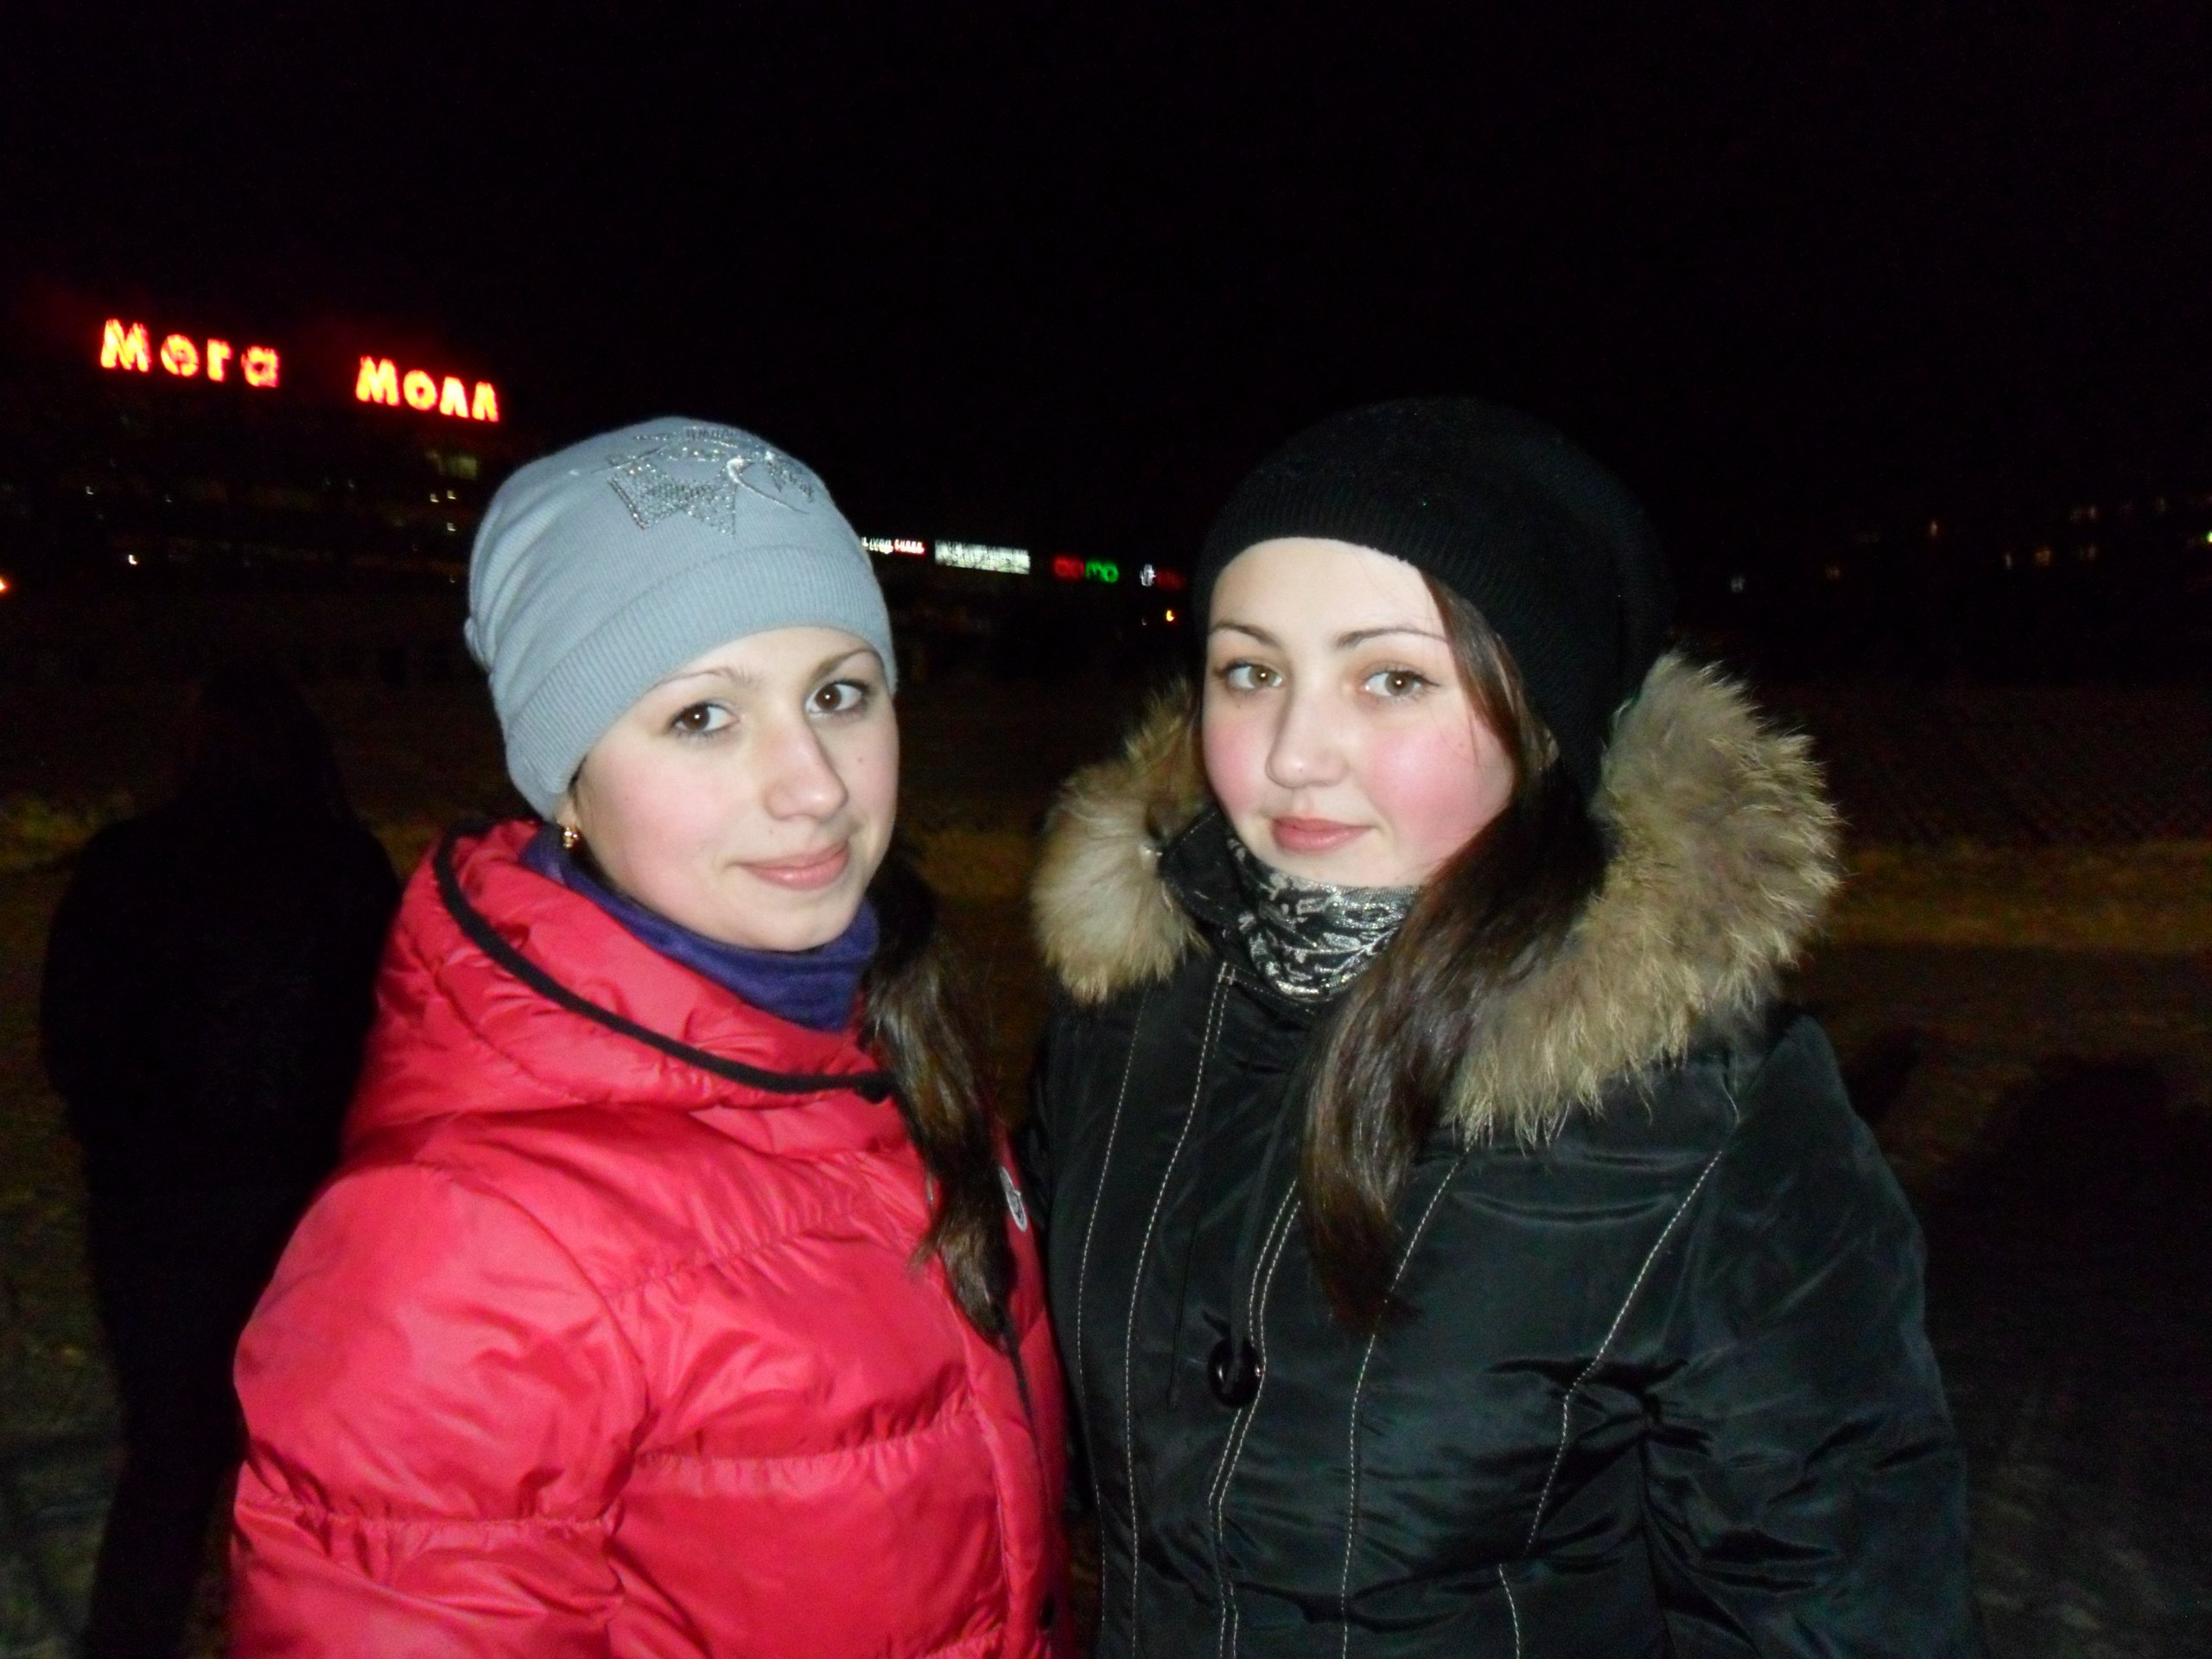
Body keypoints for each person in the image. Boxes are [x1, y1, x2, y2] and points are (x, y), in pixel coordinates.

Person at [1024, 399, 1983, 1656]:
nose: (1296, 754)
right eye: (1251, 671)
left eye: (1393, 679)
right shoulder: (1124, 1019)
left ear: (1543, 718)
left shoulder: (1701, 1115)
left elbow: (1831, 1604)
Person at [228, 419, 1068, 1656]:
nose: (815, 785)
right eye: (702, 717)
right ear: (565, 782)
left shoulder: (887, 1046)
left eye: (839, 694)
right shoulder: (465, 1239)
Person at [41, 666, 399, 1659]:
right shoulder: (341, 862)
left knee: (170, 1452)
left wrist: (126, 1145)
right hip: (299, 1202)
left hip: (160, 1207)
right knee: (302, 1452)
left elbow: (74, 1038)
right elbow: (388, 1032)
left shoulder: (128, 864)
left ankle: (135, 1637)